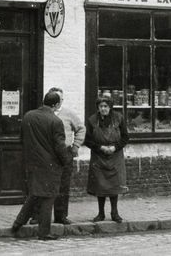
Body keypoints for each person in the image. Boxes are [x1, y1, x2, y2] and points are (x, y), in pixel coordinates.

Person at [11, 90, 72, 241]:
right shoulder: (55, 121)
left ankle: (17, 224)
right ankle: (44, 233)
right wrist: (66, 161)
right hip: (50, 165)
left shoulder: (28, 116)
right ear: (56, 105)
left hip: (32, 163)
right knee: (49, 197)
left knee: (35, 194)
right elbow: (59, 146)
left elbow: (21, 139)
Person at [30, 87, 85, 226]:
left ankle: (61, 216)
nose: (58, 102)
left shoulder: (68, 114)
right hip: (46, 155)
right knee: (42, 185)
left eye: (60, 99)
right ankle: (37, 216)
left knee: (63, 186)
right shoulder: (42, 114)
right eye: (55, 99)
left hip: (64, 154)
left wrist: (75, 146)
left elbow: (81, 128)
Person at [84, 95, 129, 222]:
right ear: (98, 108)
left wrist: (115, 147)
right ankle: (101, 214)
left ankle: (115, 213)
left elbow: (125, 137)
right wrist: (100, 148)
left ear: (110, 107)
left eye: (106, 106)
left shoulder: (119, 118)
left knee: (114, 185)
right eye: (101, 106)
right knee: (100, 185)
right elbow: (88, 140)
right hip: (99, 156)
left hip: (115, 156)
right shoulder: (92, 120)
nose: (103, 109)